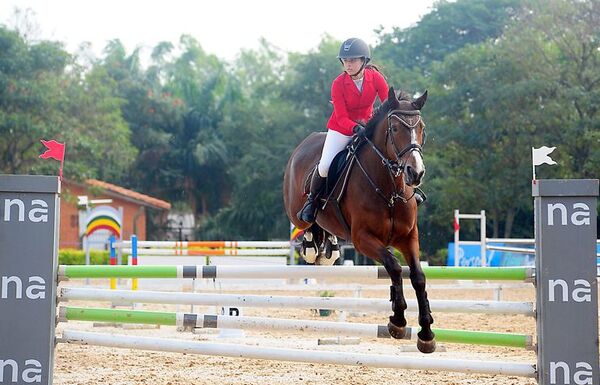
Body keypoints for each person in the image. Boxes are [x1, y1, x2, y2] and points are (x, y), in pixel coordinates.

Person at [297, 38, 389, 223]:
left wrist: (379, 123)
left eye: (353, 60)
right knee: (324, 166)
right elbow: (340, 116)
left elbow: (388, 103)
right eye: (345, 61)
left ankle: (406, 192)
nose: (348, 64)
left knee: (391, 153)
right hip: (342, 129)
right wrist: (355, 128)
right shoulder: (338, 83)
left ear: (364, 61)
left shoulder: (376, 78)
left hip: (367, 127)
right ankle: (312, 202)